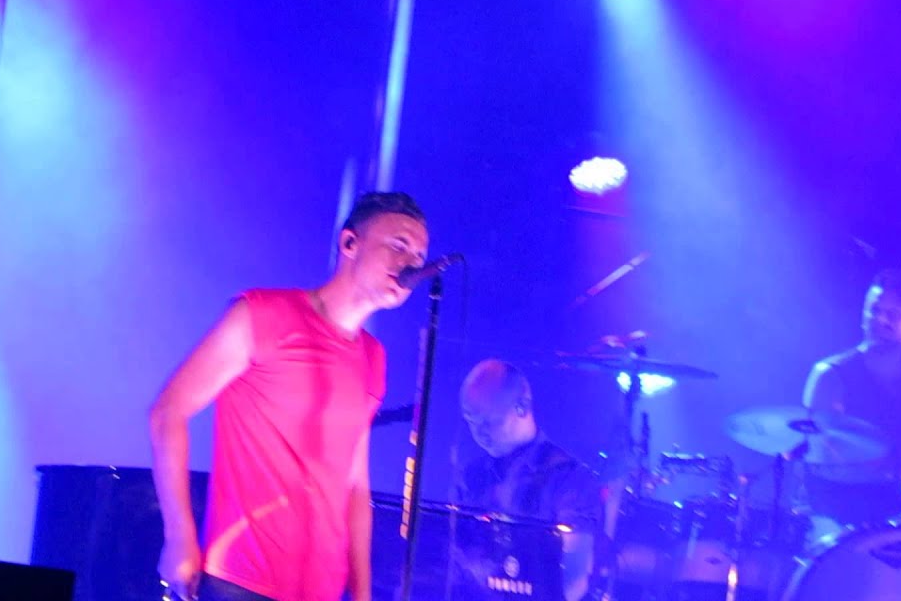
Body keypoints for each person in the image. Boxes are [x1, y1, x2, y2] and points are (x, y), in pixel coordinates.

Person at [148, 191, 430, 601]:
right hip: (240, 582)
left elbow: (355, 485)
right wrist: (179, 536)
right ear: (349, 242)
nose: (411, 264)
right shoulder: (263, 315)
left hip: (321, 590)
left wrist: (363, 591)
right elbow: (168, 411)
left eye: (419, 256)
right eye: (399, 245)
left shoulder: (373, 358)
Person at [451, 359, 602, 601]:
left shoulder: (569, 478)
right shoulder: (472, 475)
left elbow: (574, 581)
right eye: (471, 421)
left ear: (521, 407)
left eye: (488, 421)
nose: (479, 432)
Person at [801, 267, 901, 533]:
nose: (880, 319)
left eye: (893, 314)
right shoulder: (831, 375)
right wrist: (889, 467)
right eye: (874, 310)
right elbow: (820, 459)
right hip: (839, 518)